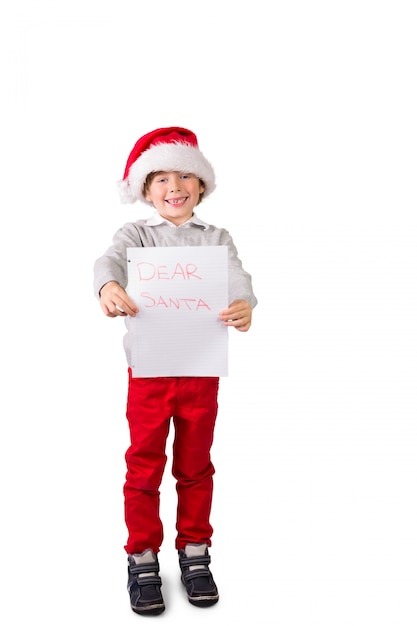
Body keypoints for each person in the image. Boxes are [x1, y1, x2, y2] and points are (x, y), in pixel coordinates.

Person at [93, 127, 257, 616]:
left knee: (195, 465)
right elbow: (108, 262)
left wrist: (244, 303)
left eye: (185, 174)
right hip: (149, 373)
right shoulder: (135, 234)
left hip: (200, 371)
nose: (174, 185)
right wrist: (107, 287)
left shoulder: (217, 238)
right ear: (145, 190)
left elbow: (237, 277)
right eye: (161, 177)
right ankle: (142, 556)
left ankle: (194, 551)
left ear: (201, 185)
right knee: (144, 464)